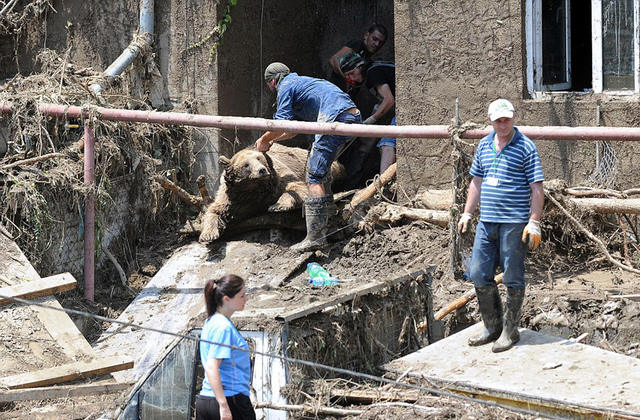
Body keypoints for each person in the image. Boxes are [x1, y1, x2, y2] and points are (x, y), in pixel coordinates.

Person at [457, 99, 544, 353]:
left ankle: (510, 330)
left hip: (514, 223)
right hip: (487, 221)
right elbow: (476, 181)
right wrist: (467, 213)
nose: (503, 124)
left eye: (507, 119)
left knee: (512, 276)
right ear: (490, 120)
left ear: (513, 118)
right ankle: (492, 325)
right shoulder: (484, 146)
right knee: (478, 273)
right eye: (498, 120)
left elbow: (536, 187)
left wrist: (534, 221)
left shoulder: (526, 147)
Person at [255, 62, 362, 252]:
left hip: (333, 120)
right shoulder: (302, 84)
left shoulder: (286, 85)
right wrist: (272, 141)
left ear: (272, 82)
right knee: (323, 174)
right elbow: (291, 131)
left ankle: (316, 237)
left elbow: (281, 124)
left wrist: (264, 139)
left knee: (314, 178)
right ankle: (330, 228)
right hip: (350, 117)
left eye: (270, 86)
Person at [196, 274, 254, 420]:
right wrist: (223, 406)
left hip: (205, 401)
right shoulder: (224, 328)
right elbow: (211, 367)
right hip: (230, 399)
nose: (246, 299)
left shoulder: (211, 322)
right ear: (226, 299)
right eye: (242, 296)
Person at [339, 52, 396, 186]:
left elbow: (389, 100)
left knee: (386, 144)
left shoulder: (373, 72)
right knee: (372, 141)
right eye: (348, 76)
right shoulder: (374, 70)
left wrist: (371, 120)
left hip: (408, 106)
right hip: (401, 107)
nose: (352, 78)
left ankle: (382, 187)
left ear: (360, 67)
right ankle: (353, 183)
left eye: (352, 73)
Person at [328, 24, 388, 94]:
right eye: (374, 39)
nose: (377, 44)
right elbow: (333, 60)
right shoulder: (358, 44)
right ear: (366, 35)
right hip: (334, 93)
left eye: (381, 42)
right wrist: (346, 78)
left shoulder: (368, 58)